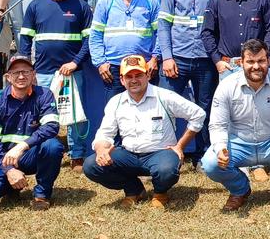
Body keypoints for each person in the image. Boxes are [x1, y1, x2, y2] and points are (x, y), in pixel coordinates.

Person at [200, 39, 270, 214]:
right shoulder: (226, 86)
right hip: (240, 144)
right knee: (210, 162)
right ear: (241, 63)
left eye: (261, 61)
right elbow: (217, 125)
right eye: (250, 61)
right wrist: (221, 148)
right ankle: (240, 190)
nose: (256, 66)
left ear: (268, 61)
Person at [84, 55, 205, 210]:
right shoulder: (116, 102)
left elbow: (198, 115)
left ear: (147, 75)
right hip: (128, 155)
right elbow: (104, 134)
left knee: (166, 170)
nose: (134, 80)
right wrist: (101, 151)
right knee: (91, 165)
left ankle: (160, 193)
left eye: (139, 75)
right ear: (122, 80)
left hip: (160, 154)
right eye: (129, 76)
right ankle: (134, 189)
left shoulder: (164, 96)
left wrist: (180, 146)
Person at [157, 0, 228, 166]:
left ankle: (204, 154)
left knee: (205, 107)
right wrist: (166, 57)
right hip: (177, 58)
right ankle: (165, 154)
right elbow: (164, 26)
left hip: (206, 60)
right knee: (167, 107)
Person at [19, 0, 93, 171]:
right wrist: (27, 68)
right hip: (42, 72)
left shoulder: (81, 6)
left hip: (71, 71)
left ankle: (77, 155)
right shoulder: (35, 6)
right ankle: (42, 150)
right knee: (38, 114)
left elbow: (89, 41)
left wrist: (75, 62)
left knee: (76, 114)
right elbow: (25, 38)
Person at [0, 55, 63, 210]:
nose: (21, 76)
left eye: (26, 72)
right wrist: (8, 169)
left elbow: (51, 126)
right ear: (8, 77)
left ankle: (42, 195)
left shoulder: (45, 95)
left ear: (33, 75)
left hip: (31, 154)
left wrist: (22, 146)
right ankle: (11, 185)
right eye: (16, 73)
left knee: (52, 146)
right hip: (3, 156)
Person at [88, 0, 159, 96]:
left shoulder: (150, 0)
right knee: (115, 112)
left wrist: (155, 59)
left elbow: (160, 33)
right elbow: (96, 35)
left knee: (147, 111)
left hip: (144, 66)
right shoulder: (105, 1)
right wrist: (100, 63)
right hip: (114, 68)